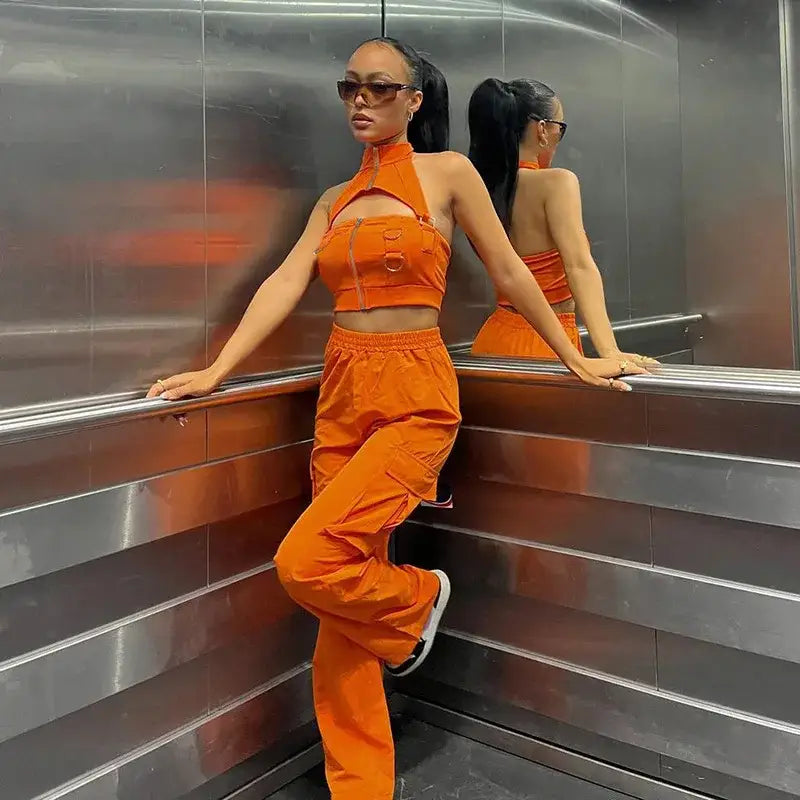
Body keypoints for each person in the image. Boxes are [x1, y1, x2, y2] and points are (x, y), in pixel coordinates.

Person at [147, 38, 646, 800]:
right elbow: (286, 280)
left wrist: (576, 356)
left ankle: (416, 604)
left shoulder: (448, 175)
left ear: (414, 100)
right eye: (349, 87)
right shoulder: (332, 199)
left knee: (307, 562)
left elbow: (509, 267)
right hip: (341, 389)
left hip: (415, 390)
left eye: (379, 88)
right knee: (339, 602)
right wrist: (217, 371)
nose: (359, 100)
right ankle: (362, 786)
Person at [468, 77, 655, 366]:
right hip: (548, 342)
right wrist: (610, 351)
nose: (557, 138)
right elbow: (579, 265)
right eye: (560, 128)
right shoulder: (556, 183)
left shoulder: (479, 189)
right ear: (542, 130)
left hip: (494, 339)